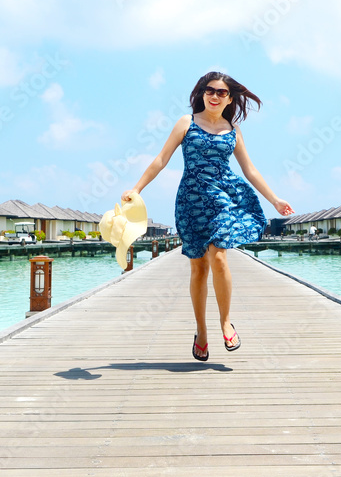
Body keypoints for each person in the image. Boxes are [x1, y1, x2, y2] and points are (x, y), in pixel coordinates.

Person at [122, 72, 294, 362]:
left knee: (219, 256)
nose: (214, 96)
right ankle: (201, 331)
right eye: (210, 90)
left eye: (221, 92)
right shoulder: (186, 123)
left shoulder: (233, 130)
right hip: (191, 200)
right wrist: (136, 189)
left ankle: (225, 322)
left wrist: (275, 199)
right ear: (202, 93)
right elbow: (161, 159)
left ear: (229, 98)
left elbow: (250, 170)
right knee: (199, 268)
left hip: (224, 197)